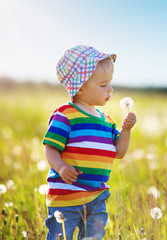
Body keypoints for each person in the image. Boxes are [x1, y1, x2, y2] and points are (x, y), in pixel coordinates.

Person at [42, 45, 136, 239]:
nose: (110, 89)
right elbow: (50, 148)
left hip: (97, 196)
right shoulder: (66, 116)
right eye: (103, 85)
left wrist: (126, 131)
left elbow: (119, 152)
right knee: (60, 236)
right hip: (65, 197)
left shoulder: (107, 121)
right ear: (81, 87)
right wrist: (60, 167)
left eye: (110, 83)